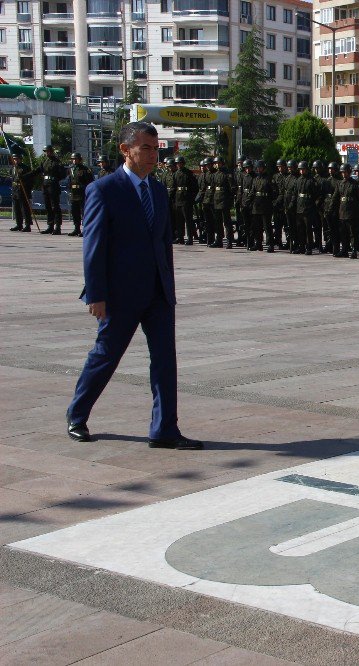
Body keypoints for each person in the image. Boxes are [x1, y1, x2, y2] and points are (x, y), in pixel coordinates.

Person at [66, 121, 201, 450]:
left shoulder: (157, 189)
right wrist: (96, 294)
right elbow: (94, 247)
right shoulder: (104, 189)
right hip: (120, 294)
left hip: (157, 293)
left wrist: (168, 287)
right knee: (106, 356)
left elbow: (163, 242)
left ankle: (164, 429)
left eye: (156, 148)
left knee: (165, 361)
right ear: (125, 150)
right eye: (146, 148)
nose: (153, 155)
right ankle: (77, 415)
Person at [36, 145, 67, 235]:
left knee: (55, 207)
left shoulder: (57, 162)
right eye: (46, 151)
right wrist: (25, 176)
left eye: (48, 151)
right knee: (48, 206)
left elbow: (63, 174)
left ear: (52, 151)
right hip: (45, 185)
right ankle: (50, 226)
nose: (47, 153)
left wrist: (55, 178)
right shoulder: (45, 161)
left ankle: (57, 227)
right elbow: (37, 170)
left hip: (53, 185)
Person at [66, 153, 96, 237]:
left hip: (82, 193)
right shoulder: (71, 169)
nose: (74, 161)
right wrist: (69, 190)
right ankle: (76, 228)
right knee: (75, 212)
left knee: (84, 212)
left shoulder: (85, 170)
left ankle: (85, 229)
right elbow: (69, 180)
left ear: (80, 160)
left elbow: (90, 182)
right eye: (73, 159)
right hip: (74, 193)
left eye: (76, 159)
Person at [9, 154, 34, 232]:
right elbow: (12, 179)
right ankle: (19, 224)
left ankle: (27, 225)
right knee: (17, 208)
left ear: (20, 159)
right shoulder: (13, 168)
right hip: (15, 190)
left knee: (25, 209)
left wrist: (26, 188)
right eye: (14, 159)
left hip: (23, 190)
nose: (16, 160)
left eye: (17, 159)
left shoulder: (25, 168)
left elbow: (30, 180)